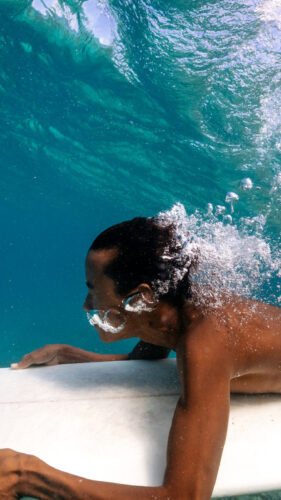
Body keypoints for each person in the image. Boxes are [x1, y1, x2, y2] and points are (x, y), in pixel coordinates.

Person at [1, 216, 280, 499]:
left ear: (142, 298)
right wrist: (76, 357)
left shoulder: (204, 344)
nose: (86, 304)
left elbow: (186, 495)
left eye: (93, 290)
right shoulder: (171, 312)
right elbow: (147, 360)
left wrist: (29, 477)